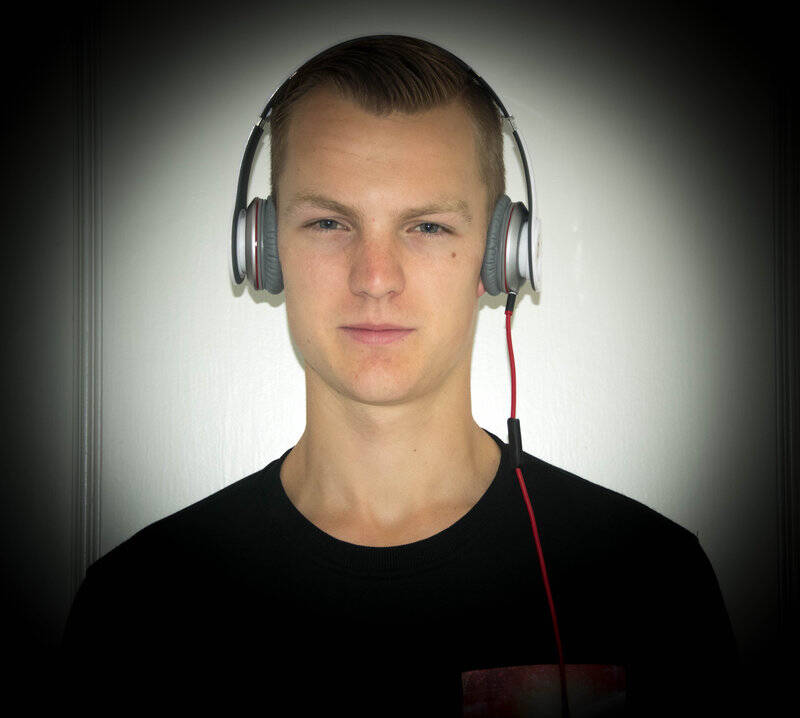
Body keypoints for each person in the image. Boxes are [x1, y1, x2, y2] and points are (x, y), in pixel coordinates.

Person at [62, 36, 739, 716]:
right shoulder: (135, 605)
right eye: (329, 222)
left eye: (428, 227)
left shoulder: (652, 579)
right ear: (263, 250)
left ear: (501, 256)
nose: (376, 278)